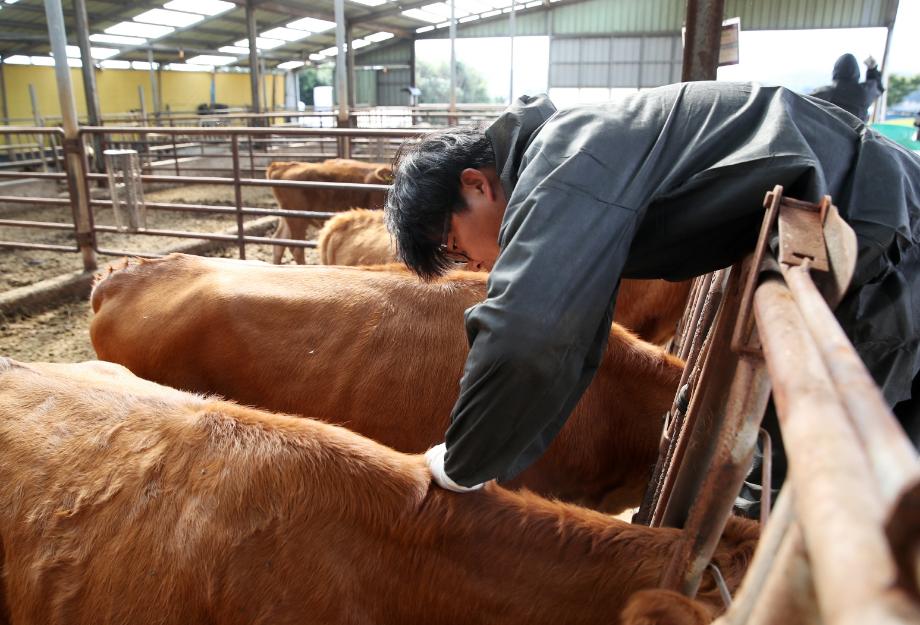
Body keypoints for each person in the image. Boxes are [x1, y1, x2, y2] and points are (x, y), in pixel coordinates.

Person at [384, 82, 920, 492]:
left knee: (826, 473)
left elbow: (529, 333)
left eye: (455, 245)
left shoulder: (564, 163)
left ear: (476, 184)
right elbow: (572, 333)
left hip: (878, 237)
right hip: (864, 216)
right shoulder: (570, 151)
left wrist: (461, 462)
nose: (474, 262)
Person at [811, 53, 885, 122]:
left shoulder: (822, 93)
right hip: (856, 132)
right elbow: (877, 87)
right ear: (856, 72)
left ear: (835, 70)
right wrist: (872, 69)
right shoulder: (863, 93)